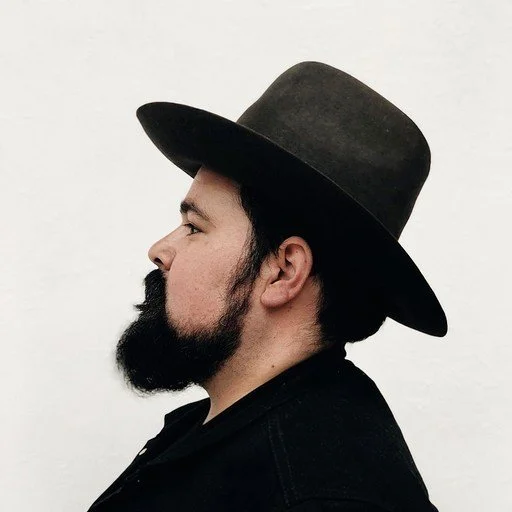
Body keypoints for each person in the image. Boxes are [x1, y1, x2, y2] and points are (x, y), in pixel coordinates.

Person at [87, 61, 447, 511]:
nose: (159, 250)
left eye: (195, 227)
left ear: (283, 271)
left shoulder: (316, 492)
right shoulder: (235, 427)